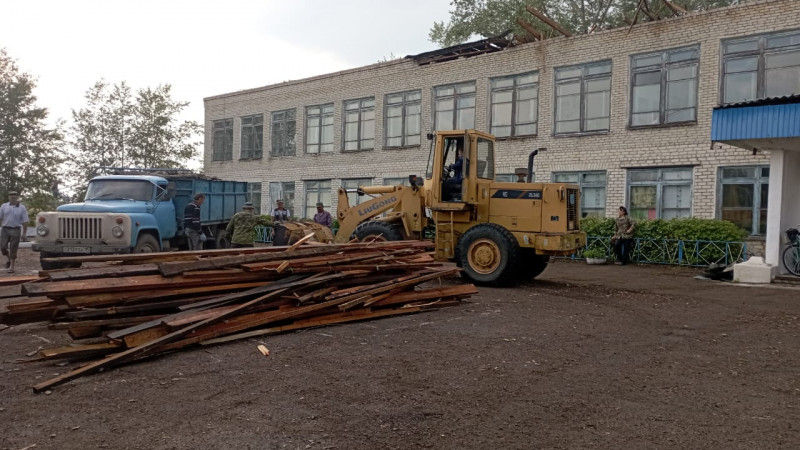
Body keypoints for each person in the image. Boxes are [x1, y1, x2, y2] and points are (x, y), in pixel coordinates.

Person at [0, 191, 29, 273]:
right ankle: (8, 258)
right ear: (9, 197)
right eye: (11, 196)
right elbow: (0, 217)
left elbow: (25, 221)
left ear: (17, 197)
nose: (13, 198)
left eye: (14, 196)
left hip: (16, 229)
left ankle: (12, 266)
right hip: (5, 228)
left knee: (13, 247)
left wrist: (24, 234)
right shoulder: (4, 206)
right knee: (3, 247)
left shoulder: (22, 208)